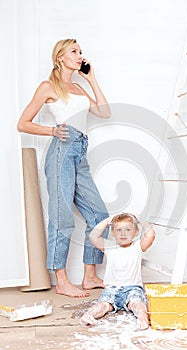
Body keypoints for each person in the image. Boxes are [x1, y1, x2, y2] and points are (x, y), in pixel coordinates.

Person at [17, 38, 111, 298]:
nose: (80, 55)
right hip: (61, 151)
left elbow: (104, 112)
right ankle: (61, 280)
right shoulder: (48, 87)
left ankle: (90, 275)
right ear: (59, 57)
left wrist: (91, 79)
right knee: (62, 217)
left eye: (81, 52)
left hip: (81, 152)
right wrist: (51, 131)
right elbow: (23, 123)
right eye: (74, 51)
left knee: (99, 216)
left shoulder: (80, 88)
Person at [79, 213, 156, 330]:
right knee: (103, 305)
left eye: (128, 230)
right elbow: (93, 236)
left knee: (137, 304)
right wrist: (108, 220)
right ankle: (89, 316)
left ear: (136, 232)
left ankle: (142, 319)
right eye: (119, 230)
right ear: (113, 233)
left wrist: (140, 219)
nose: (123, 233)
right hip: (112, 289)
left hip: (132, 288)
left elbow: (151, 235)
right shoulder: (109, 247)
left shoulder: (138, 247)